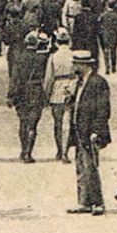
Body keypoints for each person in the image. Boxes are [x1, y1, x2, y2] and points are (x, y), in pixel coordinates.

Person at [65, 50, 111, 215]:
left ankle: (98, 203)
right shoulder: (79, 82)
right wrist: (69, 97)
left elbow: (103, 110)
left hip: (91, 132)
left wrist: (97, 131)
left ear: (85, 65)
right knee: (81, 166)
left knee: (91, 167)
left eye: (76, 64)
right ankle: (84, 201)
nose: (74, 66)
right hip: (79, 130)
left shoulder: (98, 82)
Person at [9, 30, 49, 163]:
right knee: (32, 124)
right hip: (36, 90)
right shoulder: (41, 59)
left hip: (21, 91)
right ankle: (28, 153)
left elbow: (14, 78)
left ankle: (23, 149)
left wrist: (10, 95)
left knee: (23, 121)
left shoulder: (19, 58)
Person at [43, 29, 77, 162]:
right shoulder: (74, 55)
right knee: (70, 122)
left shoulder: (53, 57)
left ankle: (59, 150)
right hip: (71, 88)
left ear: (56, 42)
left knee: (58, 123)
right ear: (69, 42)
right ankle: (66, 151)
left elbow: (48, 78)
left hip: (57, 89)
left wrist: (46, 95)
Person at [98, 2, 117, 74]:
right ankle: (113, 67)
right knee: (114, 51)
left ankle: (107, 67)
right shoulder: (116, 16)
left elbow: (99, 26)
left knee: (105, 51)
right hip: (114, 35)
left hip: (104, 35)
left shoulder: (103, 15)